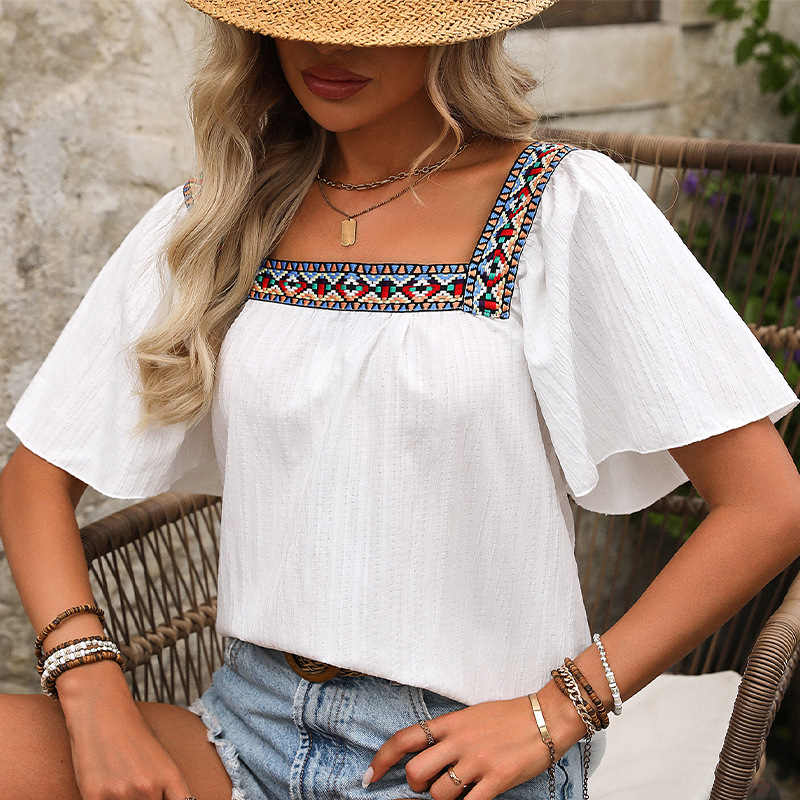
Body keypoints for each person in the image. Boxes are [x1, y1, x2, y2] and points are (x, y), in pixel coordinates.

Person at [1, 1, 799, 799]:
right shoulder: (218, 217)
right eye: (303, 11)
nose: (326, 45)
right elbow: (36, 476)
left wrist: (560, 710)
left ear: (449, 27)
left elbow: (768, 505)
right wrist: (92, 688)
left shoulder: (561, 206)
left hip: (453, 757)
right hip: (244, 727)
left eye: (373, 18)